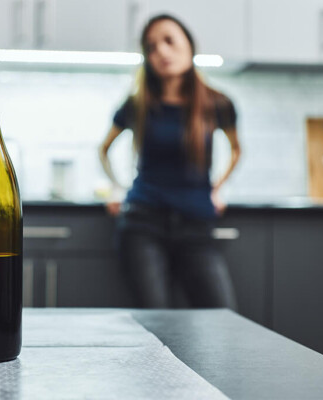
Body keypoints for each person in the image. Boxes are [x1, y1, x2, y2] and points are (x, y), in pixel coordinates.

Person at [99, 14, 241, 309]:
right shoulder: (136, 104)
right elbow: (104, 150)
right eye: (151, 47)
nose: (161, 52)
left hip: (196, 224)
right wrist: (116, 189)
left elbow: (237, 149)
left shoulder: (218, 103)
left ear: (189, 45)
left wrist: (218, 188)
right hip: (143, 224)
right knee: (156, 324)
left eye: (169, 41)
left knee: (222, 319)